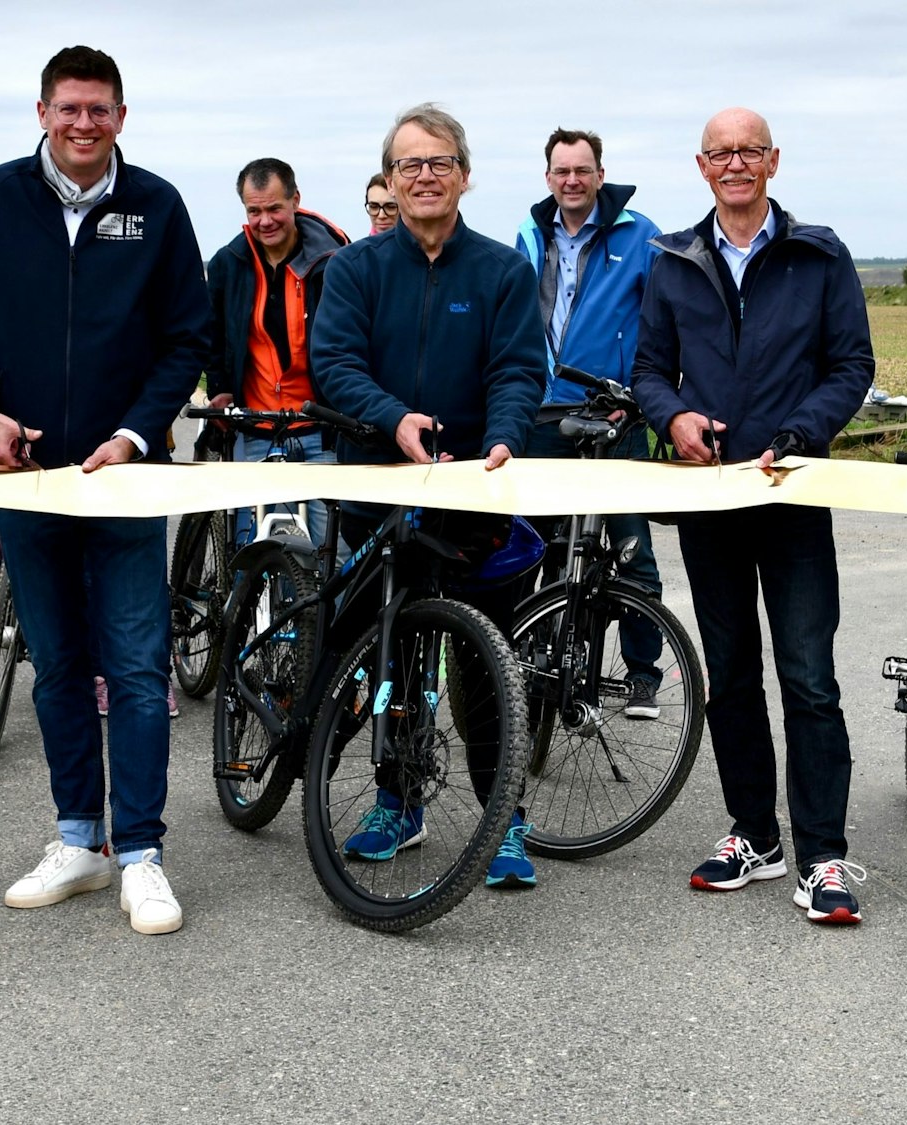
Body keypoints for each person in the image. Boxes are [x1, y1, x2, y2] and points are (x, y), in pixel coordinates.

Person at [0, 45, 210, 935]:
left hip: (122, 477)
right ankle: (78, 838)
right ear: (42, 112)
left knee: (134, 669)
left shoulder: (158, 206)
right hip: (26, 474)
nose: (84, 124)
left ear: (122, 118)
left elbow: (185, 338)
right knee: (56, 665)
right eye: (69, 109)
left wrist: (135, 434)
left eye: (100, 110)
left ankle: (140, 852)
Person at [631, 107, 874, 925]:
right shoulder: (671, 259)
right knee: (731, 675)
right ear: (702, 167)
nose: (735, 164)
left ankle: (824, 855)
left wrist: (800, 435)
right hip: (710, 497)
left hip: (793, 493)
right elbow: (650, 369)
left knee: (808, 677)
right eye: (720, 153)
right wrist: (674, 419)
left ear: (773, 161)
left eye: (749, 151)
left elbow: (852, 366)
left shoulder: (819, 254)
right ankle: (754, 835)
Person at [309, 103, 548, 887]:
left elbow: (516, 368)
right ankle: (396, 800)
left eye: (438, 162)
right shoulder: (355, 269)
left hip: (472, 490)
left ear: (464, 175)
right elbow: (335, 364)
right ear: (390, 179)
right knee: (390, 654)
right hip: (377, 485)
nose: (423, 175)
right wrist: (392, 417)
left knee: (489, 664)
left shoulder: (503, 270)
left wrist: (506, 434)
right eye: (408, 164)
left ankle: (503, 818)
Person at [512, 128, 667, 719]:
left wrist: (640, 395)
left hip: (614, 411)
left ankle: (643, 673)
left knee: (632, 546)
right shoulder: (528, 234)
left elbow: (660, 323)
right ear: (548, 177)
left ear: (600, 175)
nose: (571, 181)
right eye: (561, 171)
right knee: (531, 545)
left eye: (582, 170)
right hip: (541, 410)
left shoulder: (640, 234)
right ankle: (521, 654)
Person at [204, 157, 348, 546]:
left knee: (330, 559)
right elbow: (211, 334)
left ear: (295, 201)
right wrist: (218, 387)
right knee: (252, 557)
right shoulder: (228, 264)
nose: (264, 220)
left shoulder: (335, 262)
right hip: (255, 428)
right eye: (254, 211)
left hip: (321, 428)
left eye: (274, 209)